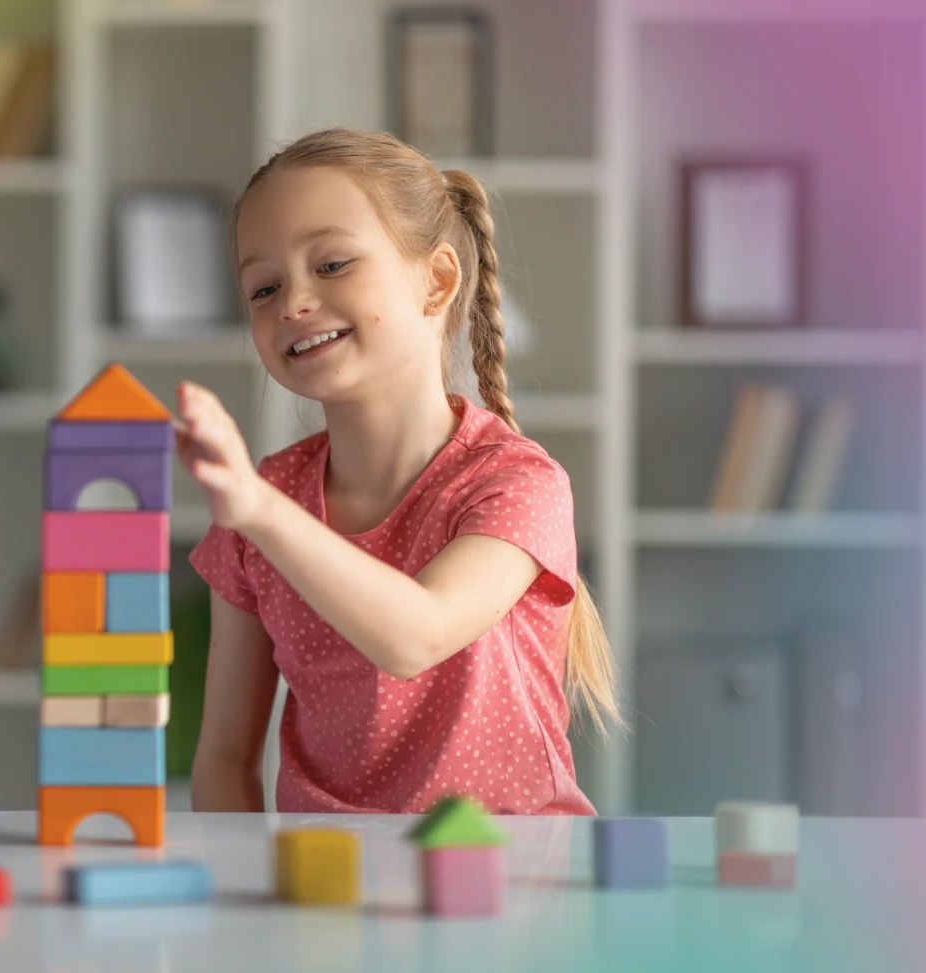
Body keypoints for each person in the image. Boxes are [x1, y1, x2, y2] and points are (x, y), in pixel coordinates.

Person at [181, 128, 618, 815]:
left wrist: (260, 512)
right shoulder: (261, 499)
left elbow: (417, 634)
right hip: (325, 887)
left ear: (438, 281)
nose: (292, 303)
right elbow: (225, 756)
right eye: (263, 287)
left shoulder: (517, 484)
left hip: (512, 884)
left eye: (331, 265)